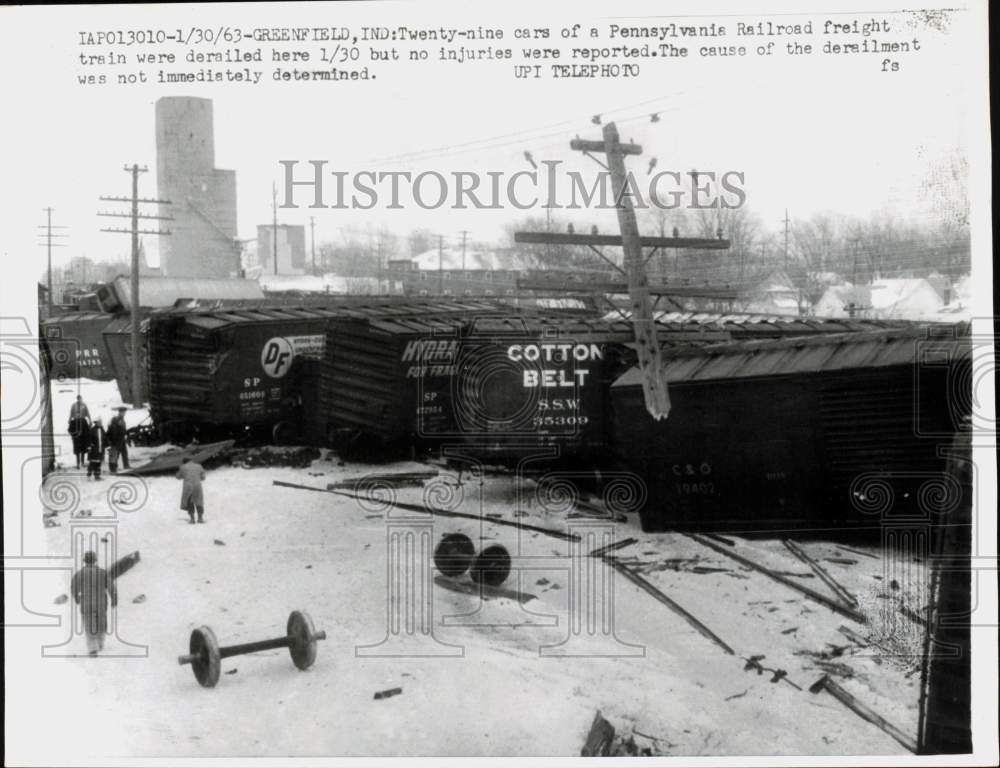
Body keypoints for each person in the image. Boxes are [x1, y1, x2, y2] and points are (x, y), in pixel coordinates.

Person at [71, 550, 117, 656]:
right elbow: (111, 587)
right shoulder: (103, 572)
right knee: (101, 623)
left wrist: (77, 599)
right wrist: (114, 599)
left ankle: (93, 648)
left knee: (89, 624)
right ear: (95, 560)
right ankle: (100, 643)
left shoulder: (79, 574)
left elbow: (73, 588)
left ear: (84, 561)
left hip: (86, 603)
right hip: (101, 602)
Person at [176, 457, 207, 524]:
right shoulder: (199, 466)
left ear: (184, 462)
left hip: (188, 487)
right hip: (197, 486)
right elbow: (203, 477)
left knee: (189, 502)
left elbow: (178, 477)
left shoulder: (183, 467)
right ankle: (200, 518)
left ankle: (192, 519)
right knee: (199, 501)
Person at [67, 396, 91, 469]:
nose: (79, 400)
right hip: (75, 423)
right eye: (78, 399)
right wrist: (70, 420)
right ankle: (77, 463)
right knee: (77, 447)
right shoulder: (73, 405)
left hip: (83, 424)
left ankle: (82, 462)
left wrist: (90, 420)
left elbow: (88, 413)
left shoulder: (84, 405)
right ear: (77, 399)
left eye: (80, 399)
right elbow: (71, 414)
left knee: (83, 446)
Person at [106, 407, 130, 473]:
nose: (124, 413)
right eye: (123, 412)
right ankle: (114, 467)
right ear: (120, 412)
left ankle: (126, 465)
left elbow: (123, 428)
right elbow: (115, 430)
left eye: (125, 412)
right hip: (118, 439)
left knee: (124, 452)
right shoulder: (116, 419)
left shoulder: (122, 419)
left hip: (122, 438)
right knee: (117, 453)